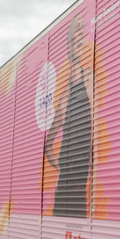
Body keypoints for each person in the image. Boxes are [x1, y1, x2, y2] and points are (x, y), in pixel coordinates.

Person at [45, 12, 93, 218]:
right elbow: (48, 145)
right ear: (68, 44)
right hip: (64, 190)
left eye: (83, 30)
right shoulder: (64, 96)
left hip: (81, 189)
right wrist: (63, 168)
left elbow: (95, 137)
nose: (80, 36)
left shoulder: (89, 79)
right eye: (76, 30)